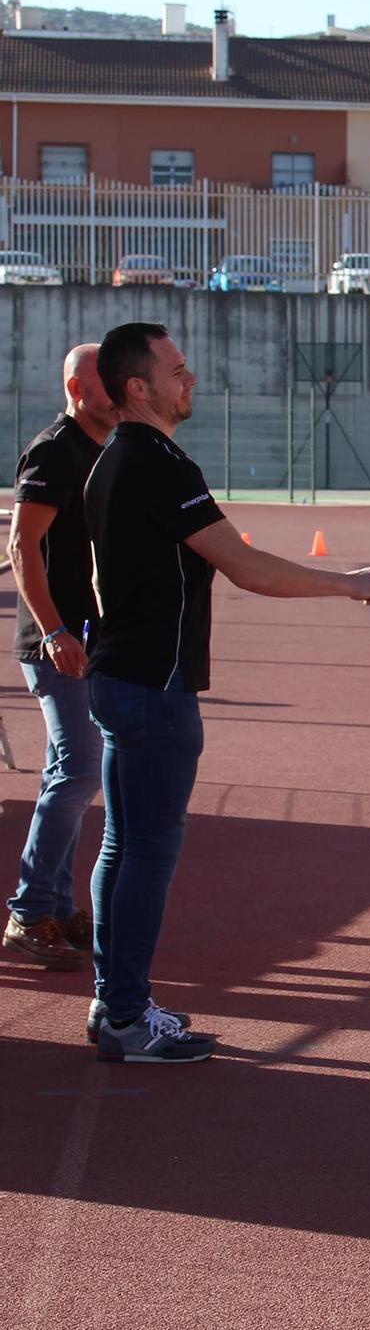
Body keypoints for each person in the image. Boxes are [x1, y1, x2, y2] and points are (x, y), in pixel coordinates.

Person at [84, 322, 370, 1062]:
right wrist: (347, 583)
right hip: (153, 689)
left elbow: (102, 577)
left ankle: (116, 1005)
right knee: (146, 852)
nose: (190, 381)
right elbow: (245, 567)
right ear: (139, 386)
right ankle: (125, 1016)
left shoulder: (115, 461)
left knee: (123, 846)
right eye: (178, 370)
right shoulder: (157, 464)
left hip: (122, 677)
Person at [2, 345, 117, 971]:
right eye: (109, 384)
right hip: (57, 643)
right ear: (78, 388)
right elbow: (22, 545)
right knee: (78, 772)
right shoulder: (54, 449)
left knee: (68, 776)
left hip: (86, 638)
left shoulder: (99, 449)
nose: (123, 394)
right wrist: (53, 631)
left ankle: (53, 902)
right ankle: (27, 911)